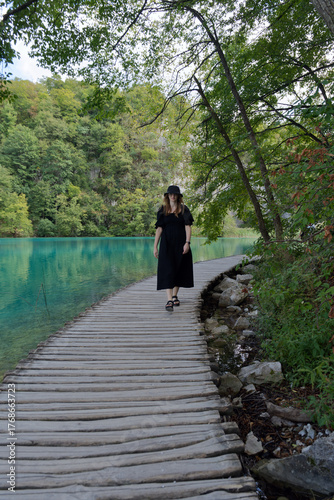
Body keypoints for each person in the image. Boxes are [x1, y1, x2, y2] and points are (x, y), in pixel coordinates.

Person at [153, 185, 194, 311]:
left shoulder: (183, 209)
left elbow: (188, 226)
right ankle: (169, 300)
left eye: (175, 194)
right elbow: (159, 229)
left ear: (178, 196)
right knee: (168, 269)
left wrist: (187, 243)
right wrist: (155, 246)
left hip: (181, 243)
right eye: (170, 194)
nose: (172, 196)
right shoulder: (163, 210)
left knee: (179, 269)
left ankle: (175, 295)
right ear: (167, 196)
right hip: (166, 244)